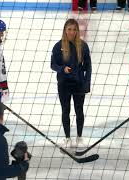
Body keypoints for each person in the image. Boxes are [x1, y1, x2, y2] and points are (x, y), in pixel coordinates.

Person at [51, 19, 92, 149]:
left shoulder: (83, 46)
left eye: (74, 29)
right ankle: (67, 137)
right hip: (64, 84)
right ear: (65, 30)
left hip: (79, 84)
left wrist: (87, 84)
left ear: (77, 31)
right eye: (69, 29)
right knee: (65, 110)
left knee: (79, 111)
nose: (72, 32)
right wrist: (62, 69)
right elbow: (53, 64)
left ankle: (79, 137)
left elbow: (88, 67)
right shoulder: (58, 46)